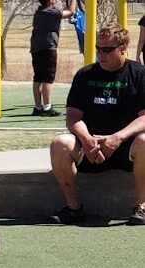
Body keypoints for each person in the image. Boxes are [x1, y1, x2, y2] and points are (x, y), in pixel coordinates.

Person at [49, 23, 145, 226]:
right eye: (98, 48)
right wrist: (86, 139)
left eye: (107, 49)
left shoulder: (139, 74)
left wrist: (117, 137)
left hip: (126, 147)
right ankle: (73, 208)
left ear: (123, 48)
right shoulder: (85, 75)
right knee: (60, 143)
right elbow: (73, 116)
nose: (101, 54)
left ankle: (142, 207)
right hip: (91, 147)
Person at [30, 0, 76, 117]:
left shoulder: (39, 12)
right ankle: (47, 107)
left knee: (38, 78)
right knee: (47, 78)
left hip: (36, 47)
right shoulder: (52, 12)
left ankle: (38, 107)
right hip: (48, 47)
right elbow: (70, 12)